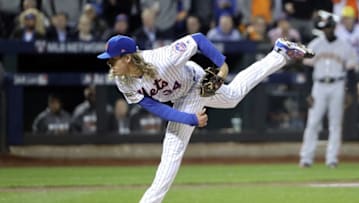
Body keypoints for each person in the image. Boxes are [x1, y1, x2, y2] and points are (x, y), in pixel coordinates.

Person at [97, 32, 313, 202]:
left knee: (172, 149)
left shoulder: (162, 58)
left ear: (127, 57)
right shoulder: (123, 80)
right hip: (180, 96)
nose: (109, 65)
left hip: (195, 83)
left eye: (112, 60)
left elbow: (197, 39)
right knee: (233, 97)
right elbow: (154, 106)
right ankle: (279, 54)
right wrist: (189, 119)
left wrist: (222, 64)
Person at [299, 15, 358, 169]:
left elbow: (351, 72)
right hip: (318, 85)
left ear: (334, 27)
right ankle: (306, 158)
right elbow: (307, 70)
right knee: (313, 123)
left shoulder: (345, 46)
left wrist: (349, 92)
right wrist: (307, 92)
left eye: (329, 27)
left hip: (338, 85)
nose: (327, 30)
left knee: (335, 124)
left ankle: (332, 159)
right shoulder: (315, 45)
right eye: (324, 28)